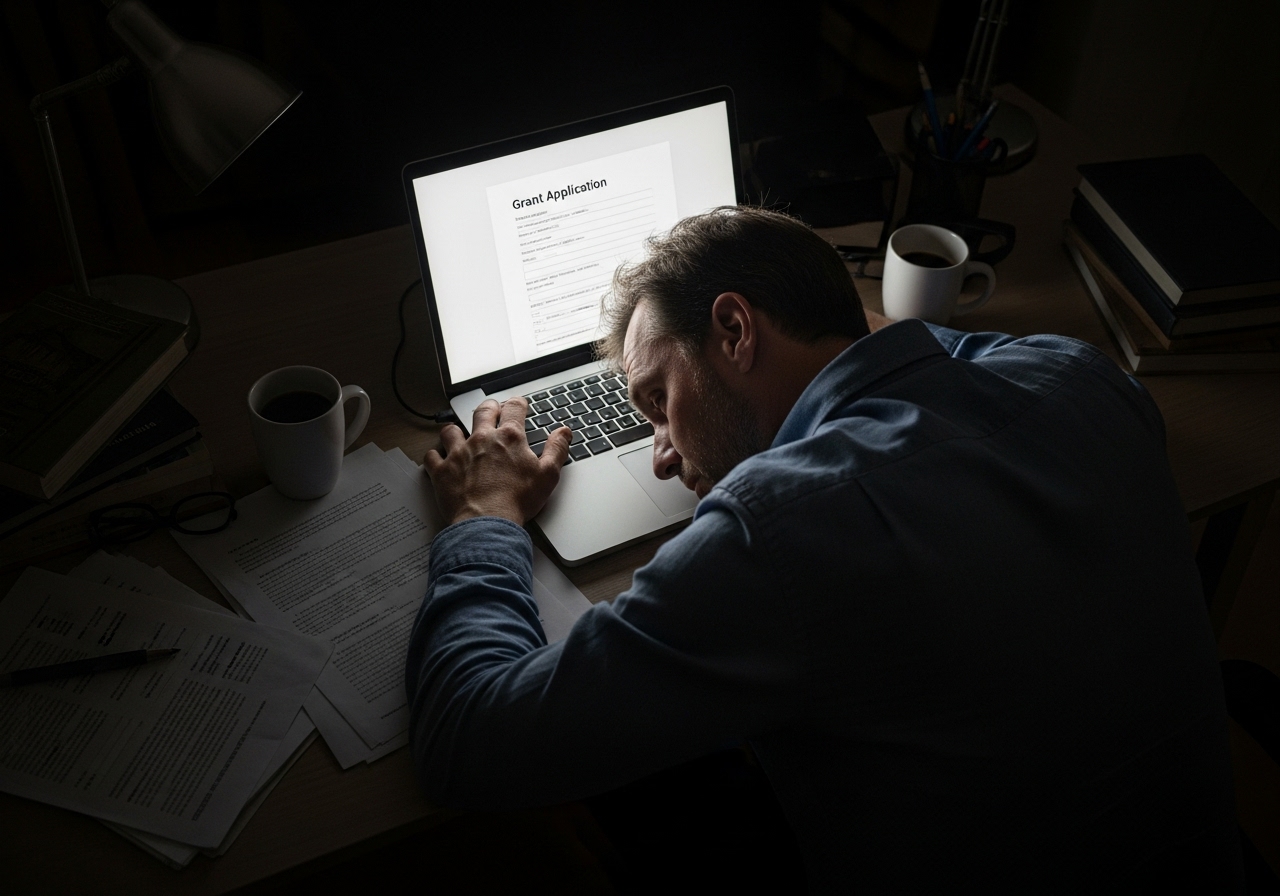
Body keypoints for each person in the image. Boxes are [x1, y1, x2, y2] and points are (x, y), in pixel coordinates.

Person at [406, 206, 1242, 892]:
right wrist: (844, 336)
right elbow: (941, 355)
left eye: (657, 400)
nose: (660, 451)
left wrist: (484, 513)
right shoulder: (1085, 380)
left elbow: (467, 740)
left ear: (735, 330)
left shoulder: (778, 529)